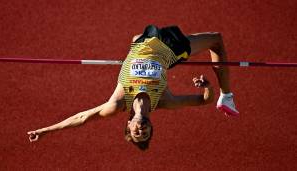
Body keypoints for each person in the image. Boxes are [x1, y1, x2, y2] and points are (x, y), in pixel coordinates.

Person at [27, 25, 239, 150]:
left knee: (137, 38)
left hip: (141, 44)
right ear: (150, 127)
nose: (141, 130)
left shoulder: (117, 104)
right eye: (145, 134)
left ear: (128, 124)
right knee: (216, 40)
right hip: (169, 48)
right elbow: (203, 100)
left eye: (136, 133)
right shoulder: (163, 101)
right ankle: (227, 96)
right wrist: (208, 86)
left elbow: (81, 118)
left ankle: (140, 42)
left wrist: (45, 131)